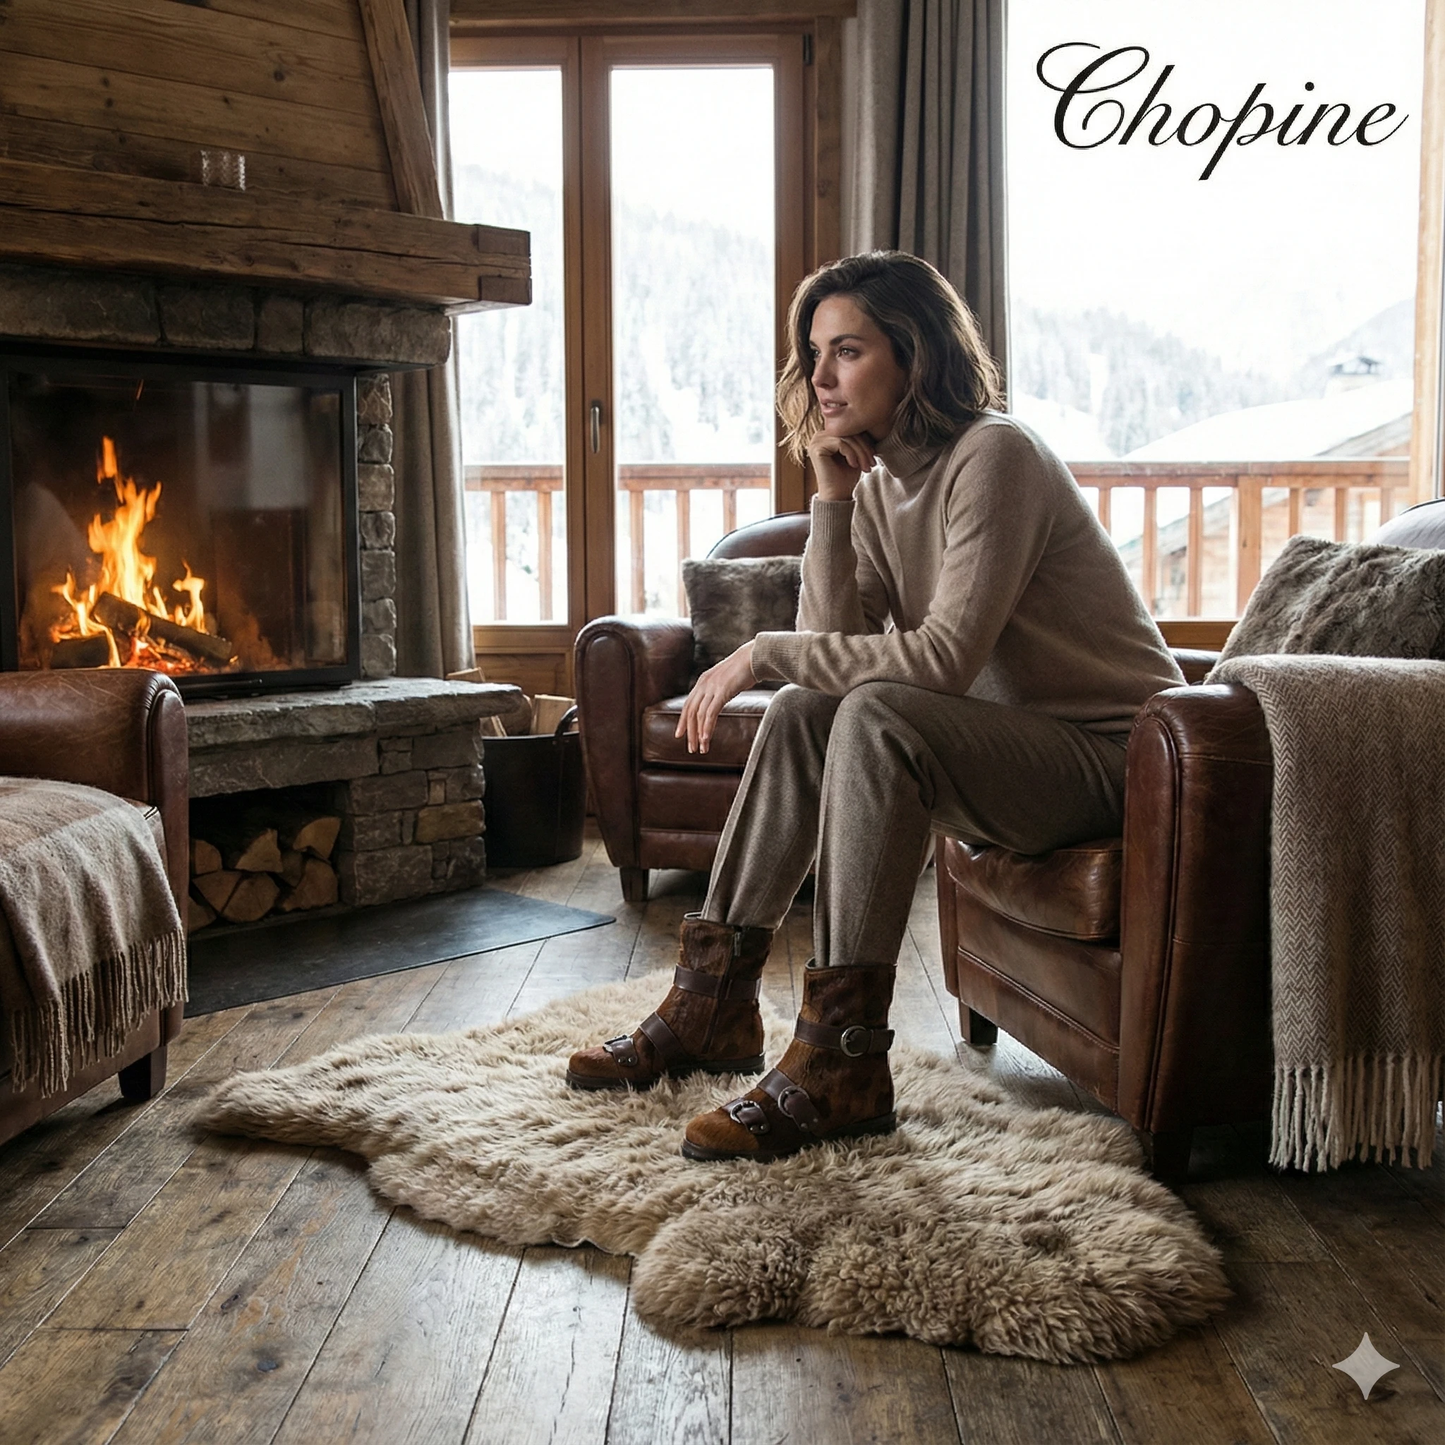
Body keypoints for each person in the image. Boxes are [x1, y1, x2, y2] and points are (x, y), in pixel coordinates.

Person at [566, 250, 1183, 1162]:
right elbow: (824, 676)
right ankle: (711, 1004)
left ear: (915, 355)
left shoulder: (994, 456)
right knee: (803, 715)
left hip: (1116, 763)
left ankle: (841, 1061)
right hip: (1007, 752)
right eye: (813, 352)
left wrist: (764, 646)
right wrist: (830, 501)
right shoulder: (881, 483)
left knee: (879, 714)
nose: (818, 376)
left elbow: (937, 658)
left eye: (846, 350)